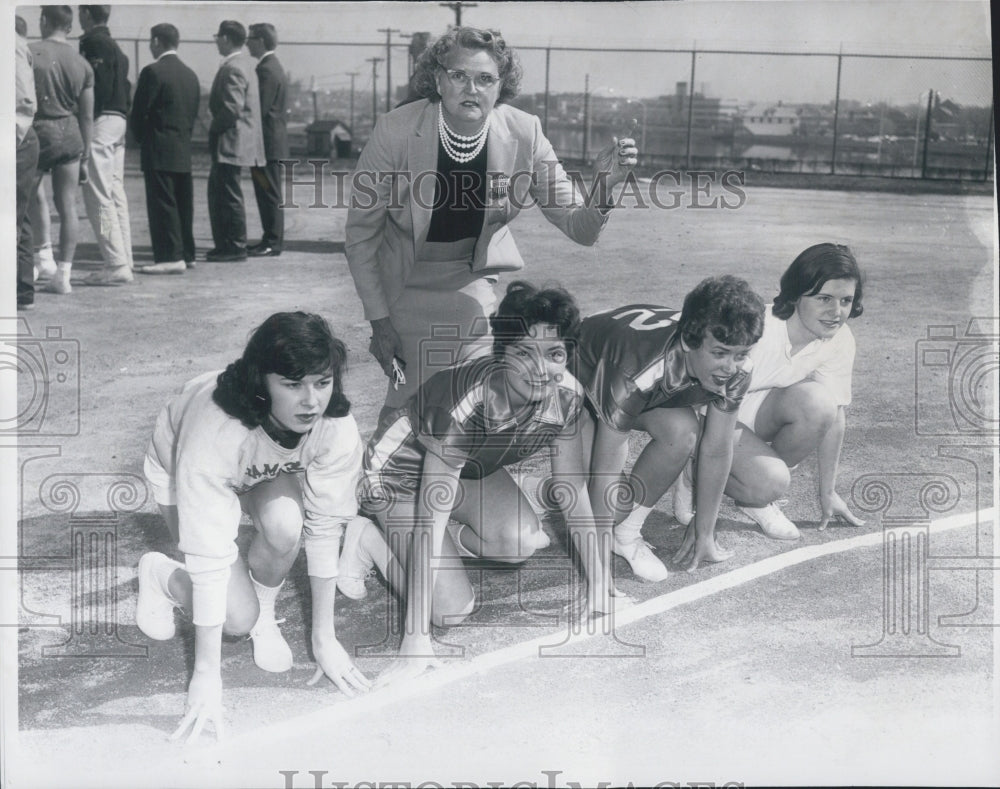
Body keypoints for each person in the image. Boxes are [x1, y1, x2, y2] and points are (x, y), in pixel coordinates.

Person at [345, 26, 637, 422]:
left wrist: (605, 184)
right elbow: (362, 235)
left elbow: (579, 228)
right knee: (409, 404)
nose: (472, 88)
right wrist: (379, 322)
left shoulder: (524, 132)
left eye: (485, 79)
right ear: (437, 79)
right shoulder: (395, 130)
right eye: (458, 75)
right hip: (405, 282)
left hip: (470, 281)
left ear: (501, 86)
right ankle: (383, 477)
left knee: (475, 400)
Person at [356, 282, 628, 685]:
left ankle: (433, 543)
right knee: (449, 609)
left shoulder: (567, 396)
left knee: (519, 543)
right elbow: (432, 517)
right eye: (524, 353)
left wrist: (602, 585)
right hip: (398, 475)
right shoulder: (472, 401)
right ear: (500, 355)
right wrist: (415, 640)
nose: (541, 369)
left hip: (465, 468)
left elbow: (573, 494)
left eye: (554, 354)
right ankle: (368, 539)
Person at [135, 313, 372, 743]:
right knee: (233, 621)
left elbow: (324, 529)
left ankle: (263, 612)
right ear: (262, 380)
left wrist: (324, 638)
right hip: (181, 470)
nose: (311, 401)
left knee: (287, 527)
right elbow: (210, 556)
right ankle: (161, 575)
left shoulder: (334, 426)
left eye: (322, 382)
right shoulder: (217, 428)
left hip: (262, 467)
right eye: (292, 384)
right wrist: (206, 677)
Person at [577, 276, 766, 580]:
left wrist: (705, 531)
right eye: (719, 353)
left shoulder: (733, 365)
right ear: (690, 341)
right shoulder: (635, 371)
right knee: (609, 506)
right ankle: (542, 489)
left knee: (683, 431)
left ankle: (626, 535)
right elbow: (607, 466)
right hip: (579, 380)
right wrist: (598, 576)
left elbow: (717, 447)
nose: (731, 367)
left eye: (741, 354)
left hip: (636, 377)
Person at [673, 244, 867, 539]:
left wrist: (828, 492)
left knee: (821, 404)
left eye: (846, 300)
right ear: (796, 293)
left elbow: (835, 415)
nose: (836, 311)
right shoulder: (759, 330)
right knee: (772, 480)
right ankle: (700, 470)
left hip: (746, 407)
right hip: (700, 409)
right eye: (824, 298)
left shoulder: (839, 339)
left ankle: (753, 493)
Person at [29, 4, 94, 296]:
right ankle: (63, 275)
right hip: (70, 134)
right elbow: (87, 115)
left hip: (38, 132)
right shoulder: (82, 63)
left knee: (31, 196)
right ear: (68, 26)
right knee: (67, 206)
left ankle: (40, 257)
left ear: (44, 21)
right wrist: (87, 156)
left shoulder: (30, 51)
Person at [129, 23, 201, 275]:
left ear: (157, 42)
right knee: (183, 204)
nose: (150, 46)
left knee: (162, 205)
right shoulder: (191, 75)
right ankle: (187, 253)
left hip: (158, 148)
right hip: (182, 148)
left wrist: (138, 138)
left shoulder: (153, 72)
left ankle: (169, 256)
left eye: (151, 41)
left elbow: (138, 113)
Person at [78, 4, 134, 286]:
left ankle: (116, 263)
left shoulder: (92, 42)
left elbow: (95, 87)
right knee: (114, 193)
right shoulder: (116, 47)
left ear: (87, 14)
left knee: (98, 196)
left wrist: (87, 122)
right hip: (119, 119)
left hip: (102, 120)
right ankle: (124, 259)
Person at [206, 20, 265, 263]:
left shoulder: (233, 68)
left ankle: (235, 246)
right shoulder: (245, 64)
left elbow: (232, 108)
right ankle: (226, 245)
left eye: (218, 37)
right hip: (236, 142)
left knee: (228, 195)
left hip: (231, 142)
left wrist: (214, 128)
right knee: (222, 193)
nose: (216, 41)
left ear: (227, 38)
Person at [246, 22, 288, 258]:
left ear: (261, 40)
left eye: (250, 38)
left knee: (268, 193)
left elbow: (257, 109)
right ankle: (270, 239)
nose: (247, 43)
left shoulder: (266, 69)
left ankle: (272, 241)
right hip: (272, 143)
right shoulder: (272, 66)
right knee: (269, 192)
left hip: (266, 145)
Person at [16, 15, 40, 311]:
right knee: (19, 216)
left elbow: (24, 102)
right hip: (20, 138)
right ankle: (21, 288)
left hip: (16, 139)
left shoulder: (10, 45)